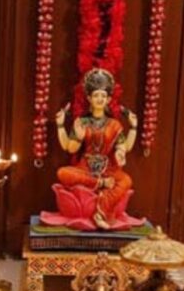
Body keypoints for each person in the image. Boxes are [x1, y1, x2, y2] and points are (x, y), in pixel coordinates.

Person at [52, 68, 140, 230]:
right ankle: (100, 183)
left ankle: (101, 210)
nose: (100, 99)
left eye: (103, 96)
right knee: (63, 173)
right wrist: (61, 126)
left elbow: (123, 148)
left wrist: (133, 129)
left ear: (108, 99)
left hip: (109, 169)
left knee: (126, 180)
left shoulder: (114, 124)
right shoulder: (82, 122)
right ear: (89, 98)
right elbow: (70, 148)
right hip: (85, 169)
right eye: (96, 95)